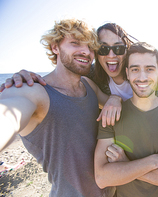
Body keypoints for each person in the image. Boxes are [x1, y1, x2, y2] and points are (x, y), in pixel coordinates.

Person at [0, 18, 122, 197]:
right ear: (55, 47)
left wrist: (115, 98)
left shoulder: (88, 85)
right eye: (75, 43)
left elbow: (114, 100)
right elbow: (8, 113)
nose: (86, 51)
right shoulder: (34, 92)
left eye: (90, 47)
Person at [0, 23, 158, 98]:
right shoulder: (93, 75)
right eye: (103, 49)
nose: (111, 55)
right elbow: (62, 77)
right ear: (96, 52)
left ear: (127, 50)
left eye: (118, 48)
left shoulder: (144, 69)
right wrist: (26, 77)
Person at [94, 42, 158, 197]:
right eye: (135, 69)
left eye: (149, 69)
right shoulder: (112, 115)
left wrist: (125, 165)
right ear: (127, 73)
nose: (142, 77)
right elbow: (102, 177)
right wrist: (155, 161)